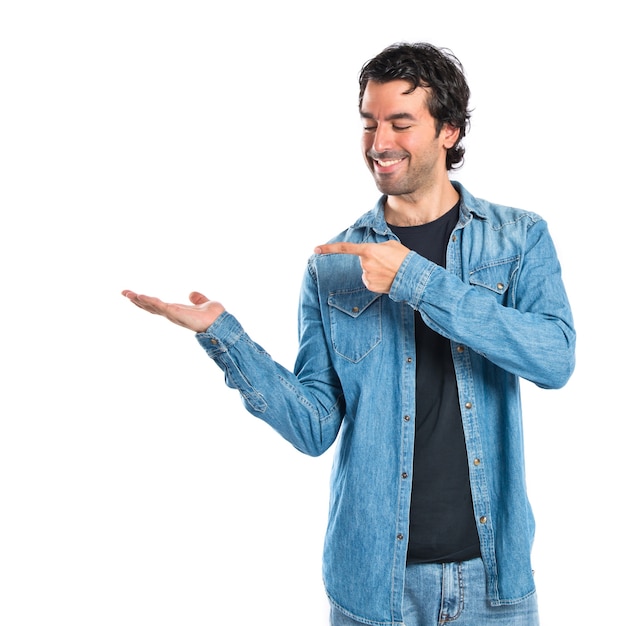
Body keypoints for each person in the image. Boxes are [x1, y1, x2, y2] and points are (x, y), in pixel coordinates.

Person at [122, 42, 575, 625]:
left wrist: (414, 280)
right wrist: (224, 339)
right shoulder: (332, 266)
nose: (379, 142)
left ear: (449, 132)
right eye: (369, 123)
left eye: (400, 123)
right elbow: (314, 427)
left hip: (493, 583)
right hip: (371, 589)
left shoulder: (518, 238)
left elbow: (554, 358)